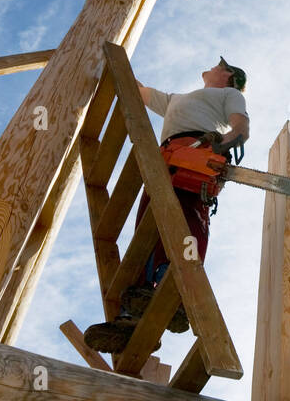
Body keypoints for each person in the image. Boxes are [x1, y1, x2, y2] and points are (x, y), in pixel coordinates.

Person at [84, 57, 250, 355]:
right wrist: (103, 64)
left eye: (219, 64)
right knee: (149, 224)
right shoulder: (178, 99)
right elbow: (141, 91)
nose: (213, 65)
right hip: (165, 158)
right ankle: (133, 313)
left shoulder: (229, 94)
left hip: (197, 153)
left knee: (187, 219)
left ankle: (176, 289)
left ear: (229, 76)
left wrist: (223, 144)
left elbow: (241, 125)